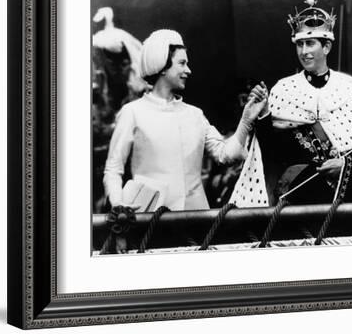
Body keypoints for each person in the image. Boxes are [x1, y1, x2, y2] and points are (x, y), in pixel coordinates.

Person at [231, 0, 352, 207]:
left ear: (326, 46)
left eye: (310, 43)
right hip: (299, 195)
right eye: (299, 44)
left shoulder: (351, 88)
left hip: (342, 197)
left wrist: (344, 166)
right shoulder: (284, 89)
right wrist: (263, 114)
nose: (304, 51)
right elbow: (273, 153)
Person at [103, 29, 266, 212]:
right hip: (148, 221)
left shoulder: (195, 115)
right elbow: (113, 169)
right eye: (182, 63)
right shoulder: (132, 112)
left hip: (195, 222)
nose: (188, 70)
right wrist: (118, 204)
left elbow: (225, 155)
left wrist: (246, 121)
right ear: (162, 66)